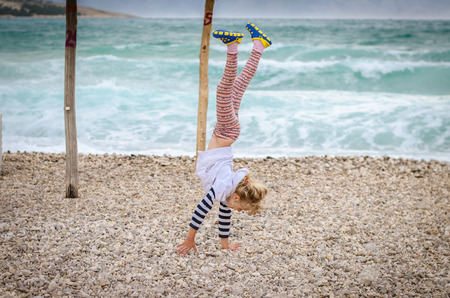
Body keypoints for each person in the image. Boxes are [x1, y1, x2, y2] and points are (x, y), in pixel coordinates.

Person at [176, 23, 271, 256]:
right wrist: (190, 239)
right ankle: (233, 47)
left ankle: (259, 45)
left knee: (238, 87)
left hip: (227, 132)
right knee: (224, 90)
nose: (237, 211)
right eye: (241, 208)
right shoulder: (223, 187)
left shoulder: (229, 190)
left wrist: (225, 245)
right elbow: (200, 211)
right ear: (237, 197)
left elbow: (224, 218)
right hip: (226, 131)